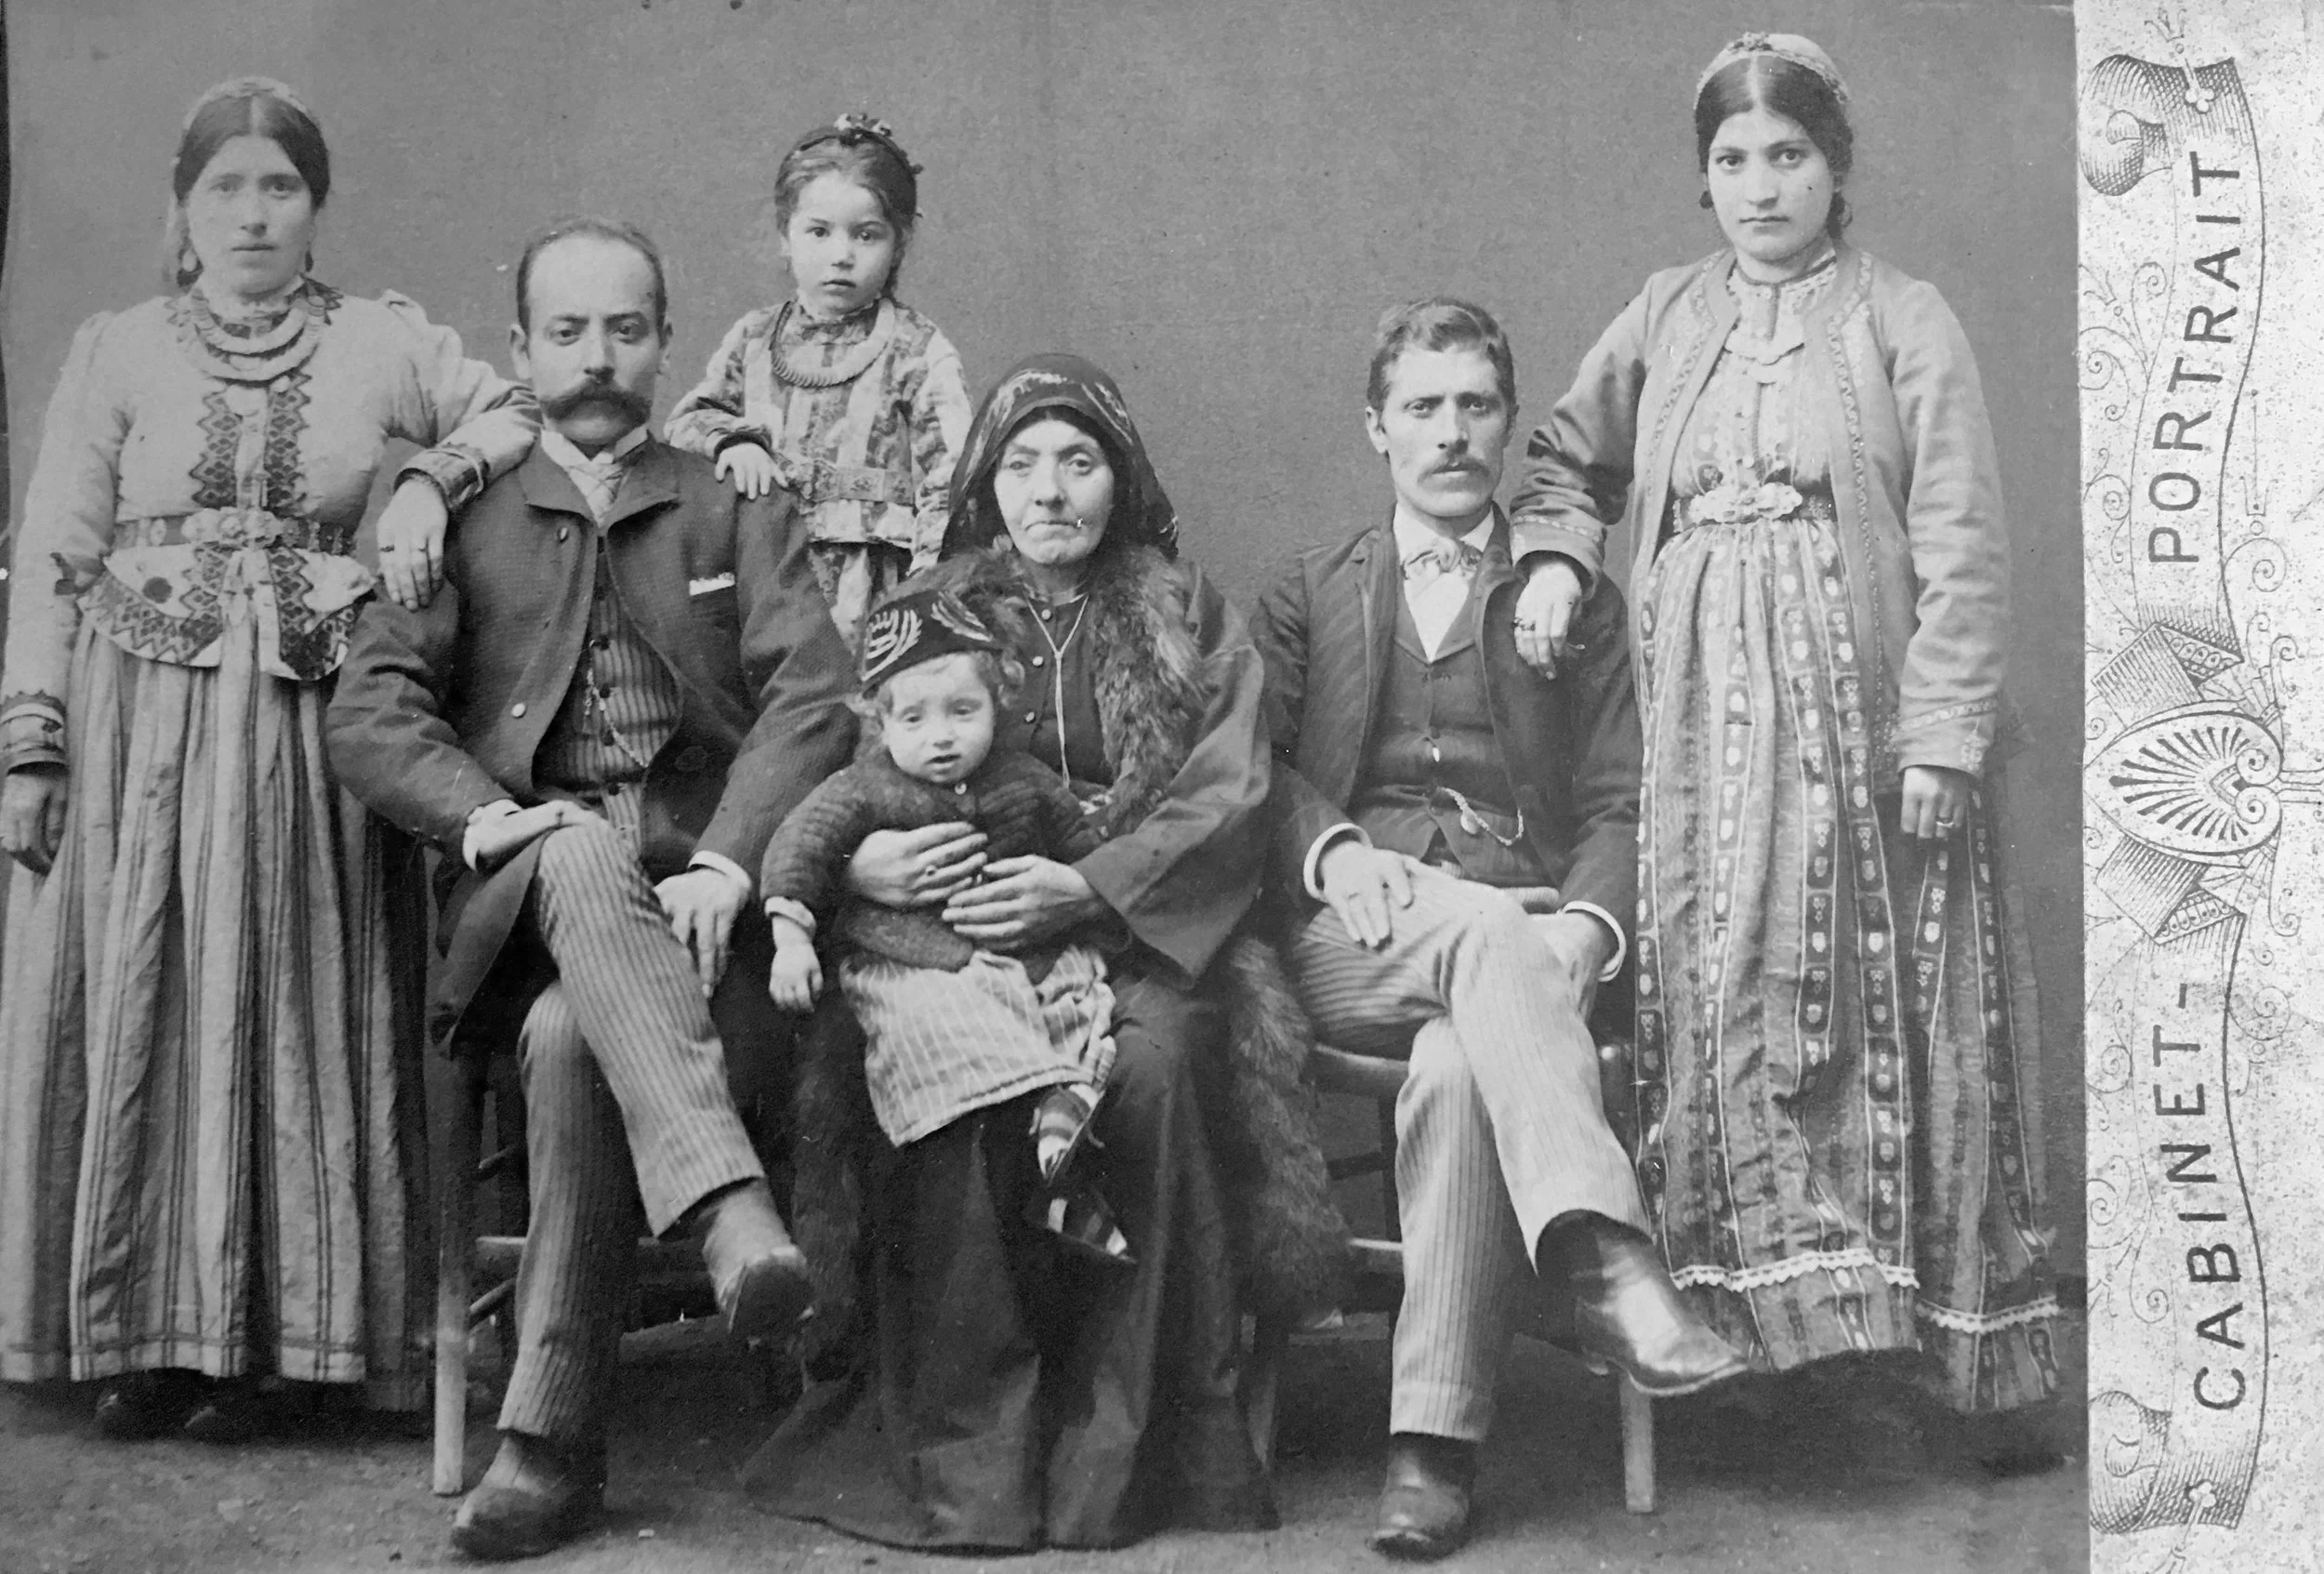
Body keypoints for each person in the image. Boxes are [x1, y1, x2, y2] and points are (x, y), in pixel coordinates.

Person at [1507, 32, 2061, 1451]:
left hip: (1864, 730)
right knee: (1728, 987)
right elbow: (1569, 455)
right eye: (1734, 161)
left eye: (1789, 157)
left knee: (1889, 1006)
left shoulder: (1902, 316)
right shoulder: (1666, 310)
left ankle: (1933, 1356)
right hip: (1698, 739)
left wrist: (1938, 732)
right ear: (1706, 181)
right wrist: (1563, 560)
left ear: (1837, 168)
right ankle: (1747, 1342)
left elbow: (1962, 534)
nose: (1762, 187)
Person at [0, 77, 536, 1441]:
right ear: (184, 204)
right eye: (226, 185)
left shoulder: (378, 340)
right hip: (145, 732)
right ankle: (148, 1342)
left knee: (297, 995)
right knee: (152, 1001)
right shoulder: (115, 348)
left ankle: (285, 1347)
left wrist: (426, 478)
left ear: (316, 204)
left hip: (311, 733)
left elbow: (515, 411)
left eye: (280, 185)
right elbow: (55, 554)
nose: (252, 212)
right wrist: (33, 745)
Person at [742, 354, 1344, 1551]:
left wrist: (1087, 884)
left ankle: (1115, 1452)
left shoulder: (1186, 612)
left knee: (1152, 1069)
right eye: (1021, 464)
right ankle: (973, 1455)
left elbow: (1231, 790)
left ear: (1119, 481)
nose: (1050, 490)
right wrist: (860, 872)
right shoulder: (928, 608)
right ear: (985, 483)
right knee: (956, 1088)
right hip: (940, 941)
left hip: (1135, 933)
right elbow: (833, 771)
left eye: (1079, 462)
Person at [325, 216, 858, 1560]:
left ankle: (547, 1443)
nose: (599, 357)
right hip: (522, 915)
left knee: (575, 1040)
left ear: (667, 342)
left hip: (705, 929)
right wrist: (488, 816)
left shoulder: (729, 496)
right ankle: (731, 1210)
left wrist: (737, 856)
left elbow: (818, 693)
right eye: (566, 331)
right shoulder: (457, 515)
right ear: (518, 349)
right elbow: (372, 716)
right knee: (569, 849)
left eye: (627, 329)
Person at [1255, 298, 1746, 1561]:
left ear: (1510, 421)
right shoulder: (1311, 590)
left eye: (1477, 404)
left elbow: (1620, 796)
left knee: (1465, 1059)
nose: (1452, 432)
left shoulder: (1568, 596)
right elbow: (1244, 773)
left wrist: (1587, 928)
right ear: (1377, 429)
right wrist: (1336, 846)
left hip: (1522, 944)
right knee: (1484, 941)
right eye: (1422, 406)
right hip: (1345, 937)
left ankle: (1429, 1448)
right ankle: (1604, 1254)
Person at [759, 585, 1129, 1260]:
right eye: (916, 720)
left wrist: (1090, 903)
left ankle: (1061, 1120)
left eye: (964, 711)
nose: (942, 736)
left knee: (1080, 997)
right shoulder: (864, 788)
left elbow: (1086, 854)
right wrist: (789, 936)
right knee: (950, 1023)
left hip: (1021, 954)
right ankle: (1044, 1151)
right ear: (881, 721)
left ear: (998, 707)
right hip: (913, 963)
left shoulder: (1026, 778)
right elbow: (798, 846)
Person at [664, 113, 972, 648]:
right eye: (819, 231)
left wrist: (924, 602)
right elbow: (688, 422)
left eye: (866, 234)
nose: (841, 255)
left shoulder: (918, 350)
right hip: (765, 579)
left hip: (876, 597)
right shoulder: (755, 338)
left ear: (900, 243)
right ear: (785, 235)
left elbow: (952, 481)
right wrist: (733, 440)